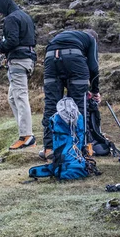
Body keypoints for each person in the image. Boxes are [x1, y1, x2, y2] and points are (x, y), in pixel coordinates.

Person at [40, 29, 101, 160]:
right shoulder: (91, 40)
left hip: (51, 58)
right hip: (74, 60)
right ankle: (81, 146)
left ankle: (49, 148)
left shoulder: (66, 35)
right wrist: (95, 91)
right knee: (79, 103)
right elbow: (94, 67)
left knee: (51, 104)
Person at [0, 0, 37, 150]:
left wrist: (0, 47)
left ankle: (27, 136)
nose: (0, 14)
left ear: (4, 6)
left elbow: (12, 41)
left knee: (20, 97)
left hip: (18, 61)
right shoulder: (25, 16)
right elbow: (32, 39)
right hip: (27, 59)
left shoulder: (11, 18)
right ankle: (24, 133)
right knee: (13, 97)